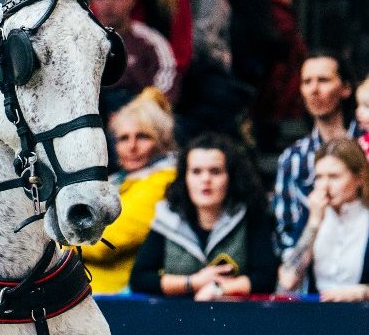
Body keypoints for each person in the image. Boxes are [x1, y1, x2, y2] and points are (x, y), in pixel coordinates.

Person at [131, 133, 275, 298]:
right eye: (196, 171)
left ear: (231, 177)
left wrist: (218, 290)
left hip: (236, 318)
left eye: (215, 171)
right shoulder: (168, 219)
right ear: (185, 178)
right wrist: (193, 283)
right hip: (177, 319)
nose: (205, 179)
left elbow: (266, 278)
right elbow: (140, 279)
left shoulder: (250, 216)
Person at [82, 89, 177, 293]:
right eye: (123, 138)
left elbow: (103, 244)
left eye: (143, 137)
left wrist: (56, 242)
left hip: (123, 295)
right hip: (88, 289)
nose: (132, 146)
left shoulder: (165, 181)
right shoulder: (116, 180)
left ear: (162, 141)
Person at [273, 54, 359, 258]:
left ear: (345, 88)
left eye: (323, 80)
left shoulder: (365, 146)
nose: (314, 90)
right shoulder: (292, 159)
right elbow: (286, 238)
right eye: (306, 82)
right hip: (313, 275)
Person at [277, 138, 369, 300]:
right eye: (319, 177)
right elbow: (288, 280)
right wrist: (314, 224)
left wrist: (363, 292)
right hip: (319, 315)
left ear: (359, 178)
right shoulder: (312, 215)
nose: (324, 186)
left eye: (334, 177)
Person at [91, 0, 176, 106]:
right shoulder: (80, 42)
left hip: (138, 114)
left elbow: (166, 84)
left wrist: (134, 113)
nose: (108, 3)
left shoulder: (150, 41)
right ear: (92, 0)